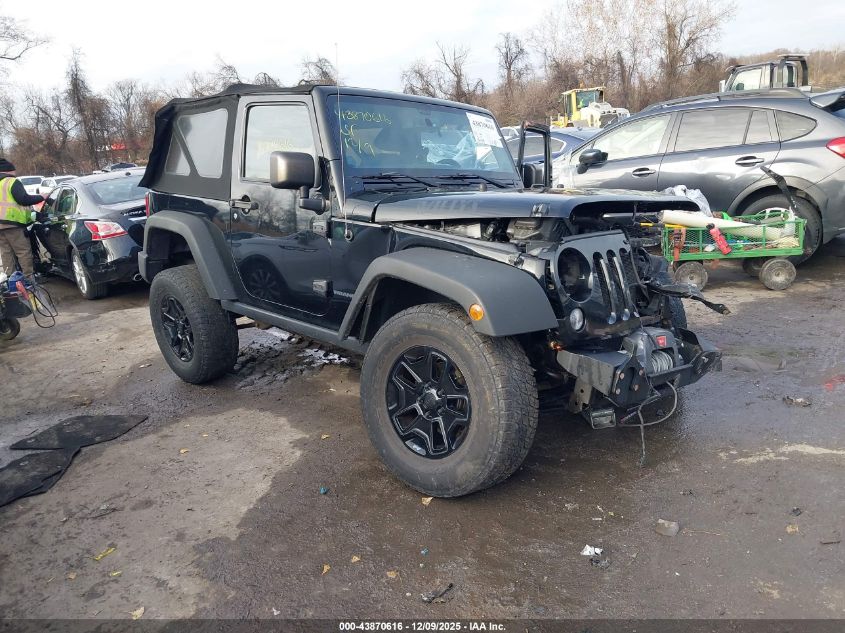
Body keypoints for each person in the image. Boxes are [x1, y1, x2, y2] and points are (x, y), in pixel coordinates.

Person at [0, 158, 47, 277]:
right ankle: (28, 279)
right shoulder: (11, 181)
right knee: (23, 252)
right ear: (9, 171)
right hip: (13, 224)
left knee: (6, 253)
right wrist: (41, 197)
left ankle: (9, 281)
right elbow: (24, 199)